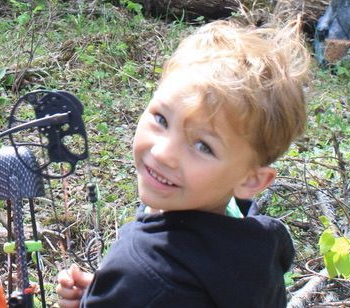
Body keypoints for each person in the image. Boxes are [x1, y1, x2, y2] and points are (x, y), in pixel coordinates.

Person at [56, 19, 310, 307]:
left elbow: (154, 288)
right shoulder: (253, 247)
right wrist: (109, 293)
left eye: (203, 146)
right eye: (161, 119)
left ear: (250, 180)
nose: (164, 152)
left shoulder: (141, 274)